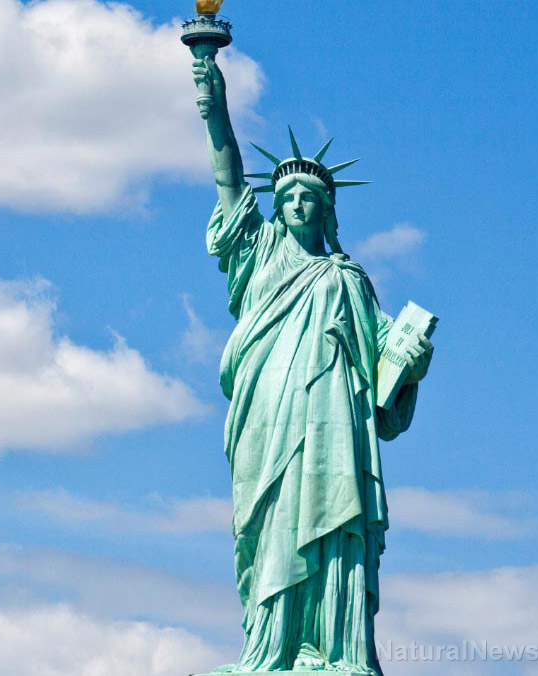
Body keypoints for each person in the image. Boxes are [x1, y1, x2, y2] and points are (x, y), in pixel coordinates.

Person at [191, 53, 433, 675]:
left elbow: (386, 354)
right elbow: (227, 175)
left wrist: (412, 356)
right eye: (288, 197)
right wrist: (213, 97)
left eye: (310, 198)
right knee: (271, 522)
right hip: (268, 413)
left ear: (328, 210)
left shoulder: (348, 278)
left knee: (334, 520)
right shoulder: (259, 252)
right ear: (276, 208)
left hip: (333, 422)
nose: (297, 205)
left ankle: (336, 649)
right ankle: (268, 650)